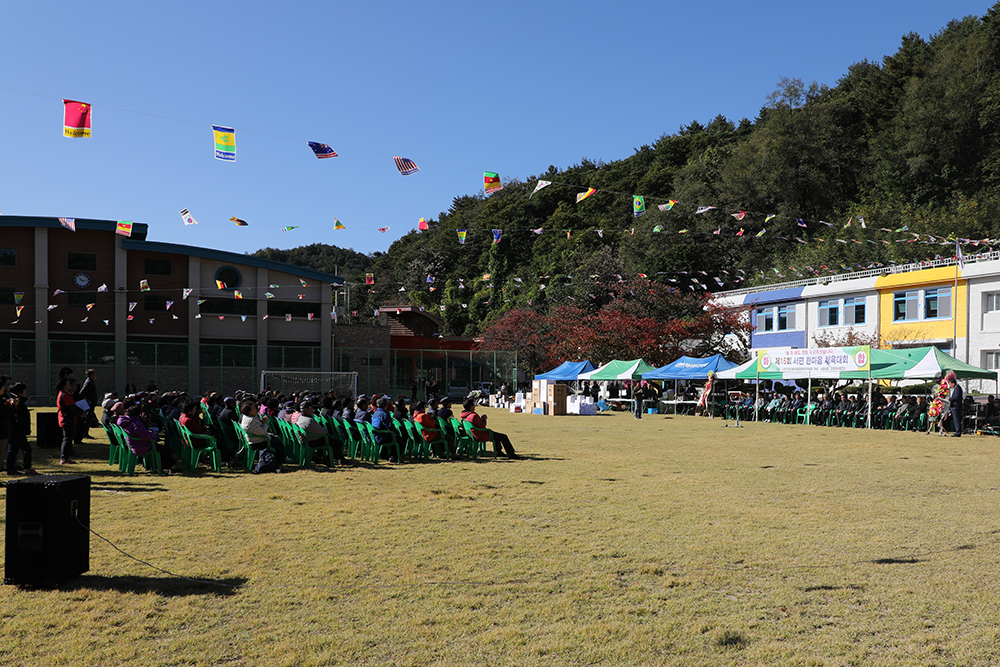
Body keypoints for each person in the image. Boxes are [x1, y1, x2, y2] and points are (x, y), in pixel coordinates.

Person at [117, 404, 181, 473]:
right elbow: (145, 436)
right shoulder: (136, 423)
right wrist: (152, 434)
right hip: (141, 445)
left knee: (162, 449)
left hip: (133, 444)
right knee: (166, 450)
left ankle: (157, 466)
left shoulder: (125, 421)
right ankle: (163, 467)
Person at [241, 400, 287, 470]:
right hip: (257, 442)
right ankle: (279, 463)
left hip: (257, 438)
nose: (256, 410)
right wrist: (265, 423)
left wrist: (261, 421)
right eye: (254, 409)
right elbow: (262, 432)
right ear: (249, 412)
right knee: (279, 444)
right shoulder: (250, 421)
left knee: (276, 439)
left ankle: (279, 460)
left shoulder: (248, 417)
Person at [6, 382, 35, 475]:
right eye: (24, 391)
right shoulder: (20, 403)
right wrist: (25, 428)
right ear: (20, 392)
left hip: (11, 430)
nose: (26, 392)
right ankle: (28, 467)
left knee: (13, 448)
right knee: (26, 448)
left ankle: (11, 468)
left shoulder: (12, 401)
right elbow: (21, 418)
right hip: (18, 430)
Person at [56, 376, 83, 464]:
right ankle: (64, 458)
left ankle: (65, 457)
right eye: (68, 384)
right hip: (67, 420)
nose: (70, 385)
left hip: (66, 419)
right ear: (64, 385)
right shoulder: (65, 395)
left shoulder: (64, 394)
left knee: (67, 439)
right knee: (67, 439)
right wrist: (81, 413)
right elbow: (72, 408)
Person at [77, 368, 99, 442]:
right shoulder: (89, 382)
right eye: (94, 374)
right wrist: (87, 400)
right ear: (92, 375)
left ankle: (85, 433)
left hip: (91, 404)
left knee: (89, 419)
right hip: (89, 405)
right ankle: (85, 434)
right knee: (88, 419)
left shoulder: (90, 382)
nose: (95, 376)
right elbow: (82, 393)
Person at [947, 372, 964, 437]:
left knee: (956, 420)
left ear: (953, 383)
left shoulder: (957, 388)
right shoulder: (956, 388)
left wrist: (950, 399)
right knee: (955, 419)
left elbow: (956, 397)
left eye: (951, 384)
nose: (950, 385)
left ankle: (958, 432)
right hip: (954, 406)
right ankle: (957, 431)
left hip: (956, 406)